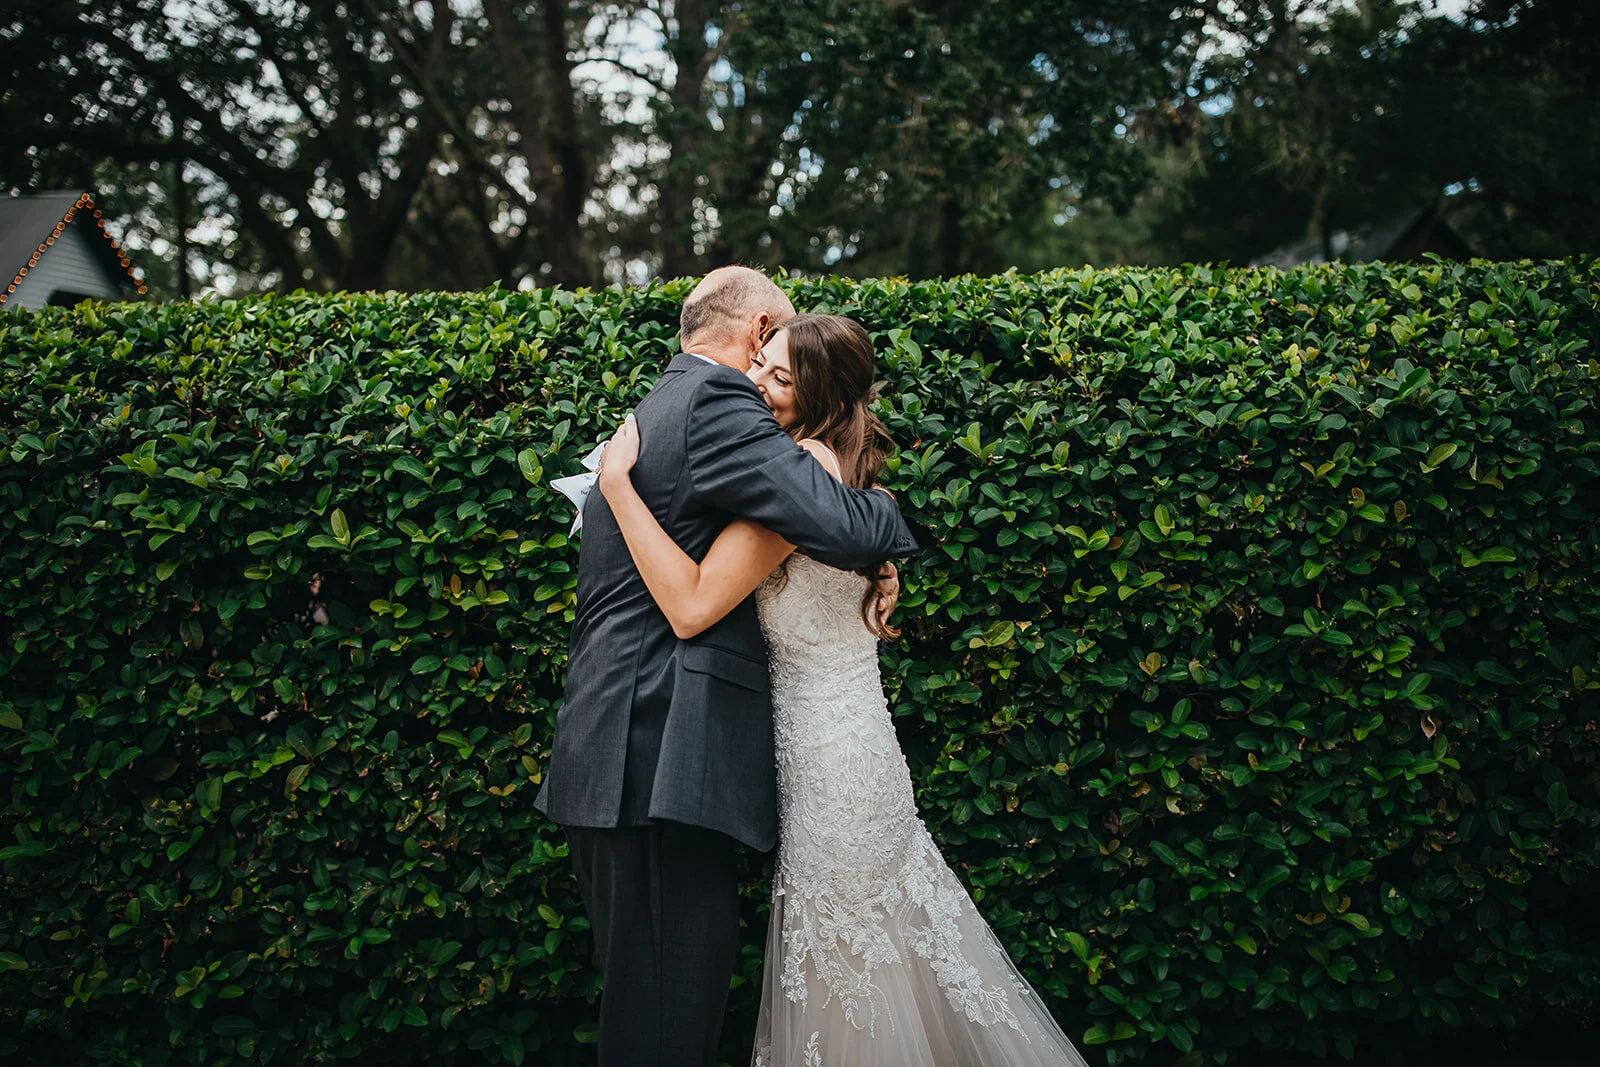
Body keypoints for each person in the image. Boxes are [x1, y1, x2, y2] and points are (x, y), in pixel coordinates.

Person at [598, 313, 1091, 1066]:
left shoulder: (803, 475)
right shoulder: (824, 475)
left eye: (782, 378)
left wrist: (617, 488)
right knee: (874, 956)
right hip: (846, 741)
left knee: (850, 963)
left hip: (832, 767)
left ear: (819, 396)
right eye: (759, 363)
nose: (757, 383)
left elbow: (693, 603)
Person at [533, 267, 918, 1067]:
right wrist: (892, 522)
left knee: (649, 1011)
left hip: (617, 750)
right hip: (660, 758)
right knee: (667, 1023)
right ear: (758, 330)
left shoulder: (654, 408)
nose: (763, 379)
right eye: (767, 358)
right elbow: (834, 526)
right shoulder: (717, 403)